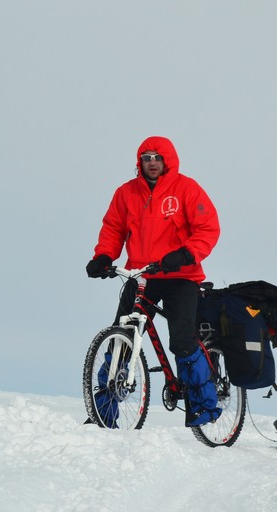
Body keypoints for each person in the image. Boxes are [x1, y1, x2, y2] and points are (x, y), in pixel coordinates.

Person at [86, 135, 222, 427]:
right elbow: (113, 229)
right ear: (139, 162)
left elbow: (207, 228)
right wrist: (103, 257)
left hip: (180, 276)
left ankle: (202, 407)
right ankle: (103, 412)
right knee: (120, 337)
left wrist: (186, 254)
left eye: (157, 158)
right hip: (142, 275)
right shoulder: (126, 193)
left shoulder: (187, 189)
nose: (151, 163)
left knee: (183, 341)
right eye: (146, 158)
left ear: (167, 161)